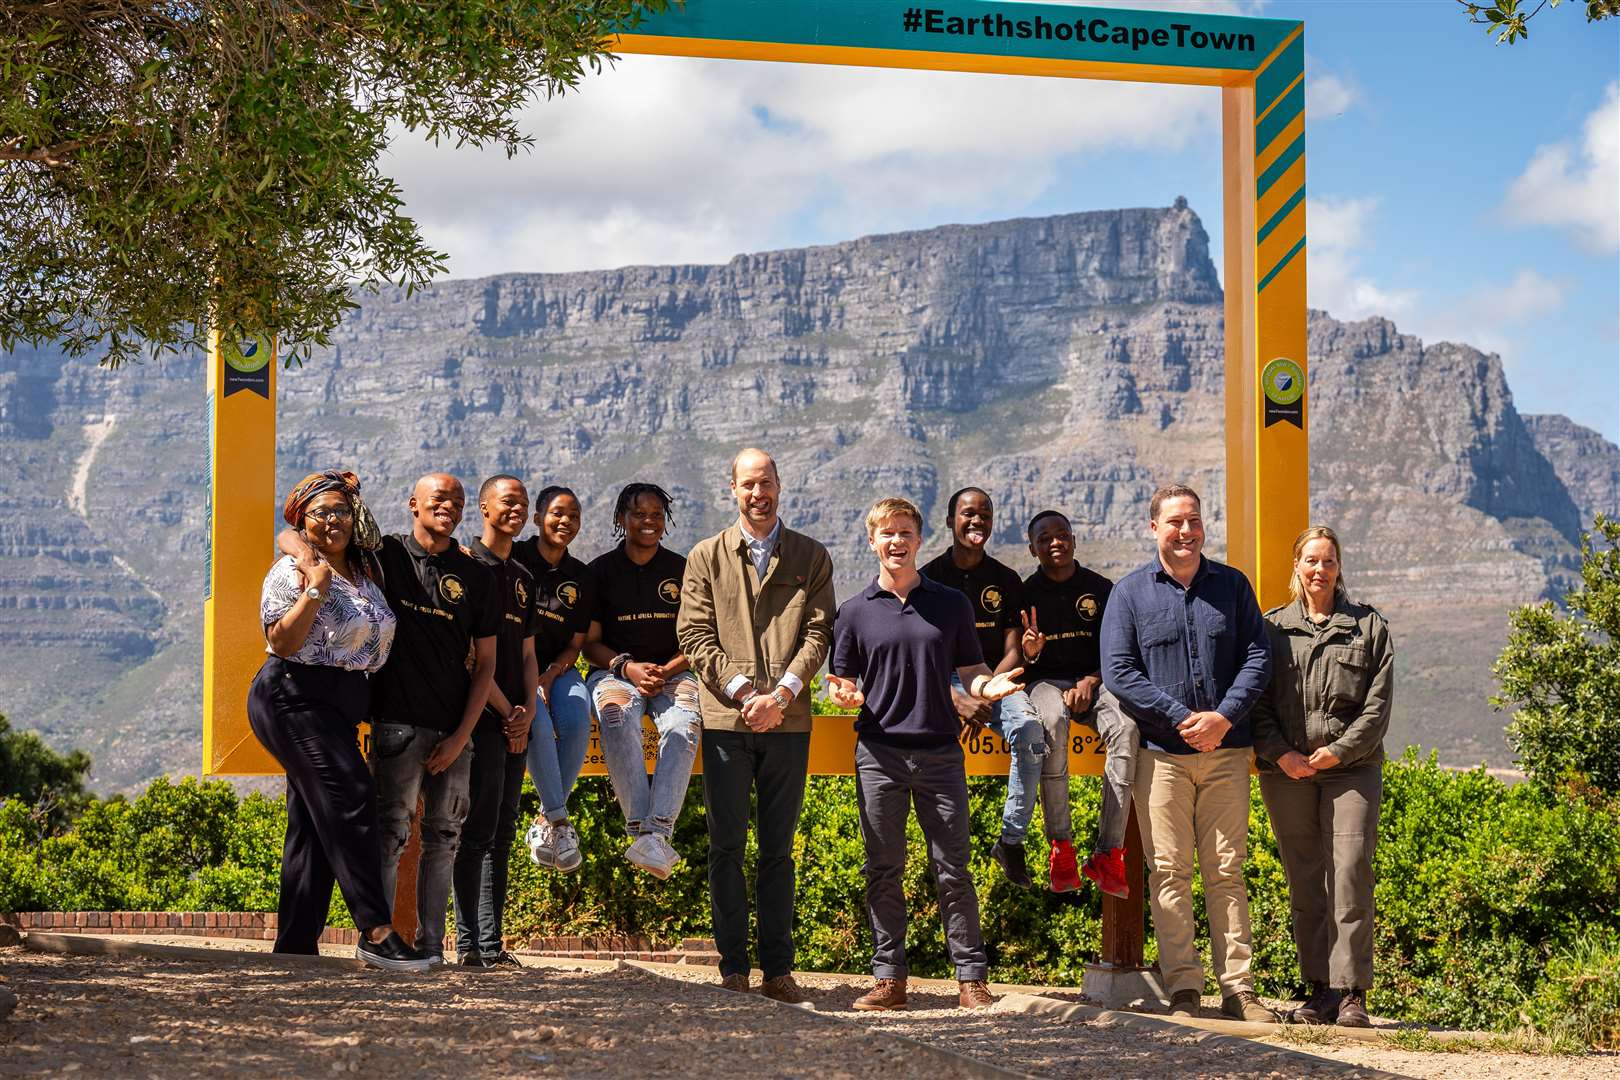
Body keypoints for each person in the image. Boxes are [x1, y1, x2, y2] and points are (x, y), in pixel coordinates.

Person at [281, 472, 499, 965]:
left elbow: (486, 664)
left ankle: (431, 948)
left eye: (458, 501)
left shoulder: (478, 577)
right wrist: (305, 557)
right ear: (413, 504)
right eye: (438, 498)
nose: (449, 506)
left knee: (445, 839)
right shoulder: (385, 556)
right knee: (389, 834)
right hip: (395, 725)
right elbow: (295, 529)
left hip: (455, 731)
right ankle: (373, 942)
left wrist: (462, 735)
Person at [826, 496, 1024, 1012]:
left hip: (940, 752)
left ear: (919, 540)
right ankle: (889, 978)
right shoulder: (852, 612)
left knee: (953, 868)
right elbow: (839, 682)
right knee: (883, 868)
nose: (897, 541)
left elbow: (970, 672)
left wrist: (988, 686)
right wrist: (841, 694)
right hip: (879, 753)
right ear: (872, 541)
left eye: (906, 533)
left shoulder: (950, 604)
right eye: (887, 533)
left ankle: (971, 980)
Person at [1099, 483, 1278, 1023]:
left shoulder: (1233, 586)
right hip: (1161, 755)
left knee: (1227, 871)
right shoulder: (1129, 593)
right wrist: (1181, 718)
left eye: (1194, 521)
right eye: (1175, 522)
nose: (1186, 531)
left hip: (1226, 752)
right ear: (1154, 527)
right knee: (1169, 872)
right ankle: (1183, 989)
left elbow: (1257, 657)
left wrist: (1222, 717)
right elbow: (1119, 672)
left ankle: (1239, 991)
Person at [250, 470, 433, 971]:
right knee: (351, 794)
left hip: (340, 705)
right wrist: (314, 584)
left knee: (312, 820)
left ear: (356, 516)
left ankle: (294, 948)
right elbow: (282, 643)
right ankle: (375, 931)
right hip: (292, 695)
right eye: (320, 513)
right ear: (304, 522)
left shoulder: (368, 569)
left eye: (340, 511)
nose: (332, 520)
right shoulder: (291, 571)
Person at [677, 449, 836, 1003]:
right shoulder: (704, 557)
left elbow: (818, 635)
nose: (758, 494)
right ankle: (733, 968)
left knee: (777, 849)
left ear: (779, 485)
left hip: (787, 724)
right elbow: (695, 638)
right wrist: (748, 695)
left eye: (765, 483)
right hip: (726, 720)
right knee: (725, 847)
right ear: (733, 490)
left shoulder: (811, 557)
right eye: (748, 485)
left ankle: (778, 970)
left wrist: (783, 694)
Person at [1251, 526, 1392, 1029]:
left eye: (1328, 561)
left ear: (1339, 567)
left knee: (1350, 873)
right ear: (1296, 566)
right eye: (1311, 560)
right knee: (1305, 880)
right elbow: (1258, 703)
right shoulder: (1271, 629)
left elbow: (1377, 708)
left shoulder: (1369, 627)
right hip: (1287, 772)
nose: (1319, 570)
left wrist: (1338, 750)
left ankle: (1352, 993)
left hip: (1351, 770)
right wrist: (1280, 754)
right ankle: (1320, 991)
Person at [919, 488, 1049, 891]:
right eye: (968, 513)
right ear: (949, 521)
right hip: (941, 686)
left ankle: (1011, 841)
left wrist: (986, 691)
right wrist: (957, 699)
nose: (977, 521)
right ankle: (936, 852)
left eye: (985, 514)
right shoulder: (928, 579)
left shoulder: (1006, 580)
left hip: (994, 680)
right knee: (925, 755)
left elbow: (1014, 650)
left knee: (1030, 732)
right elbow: (922, 651)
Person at [582, 482, 700, 879]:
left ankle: (655, 833)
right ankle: (643, 832)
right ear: (621, 519)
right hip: (617, 672)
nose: (648, 521)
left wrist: (666, 670)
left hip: (673, 674)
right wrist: (628, 668)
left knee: (685, 725)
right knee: (616, 715)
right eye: (638, 514)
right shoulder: (600, 571)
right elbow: (590, 644)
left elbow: (697, 639)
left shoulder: (682, 569)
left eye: (656, 515)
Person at [1019, 509, 1138, 898]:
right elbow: (1020, 662)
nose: (1055, 542)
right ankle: (1062, 846)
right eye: (1044, 538)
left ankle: (1108, 852)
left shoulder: (1103, 589)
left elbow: (1121, 651)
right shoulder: (1026, 594)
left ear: (1073, 539)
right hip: (1046, 685)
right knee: (1051, 721)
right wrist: (1031, 654)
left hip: (1097, 683)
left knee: (1127, 729)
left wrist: (1092, 680)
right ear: (1033, 548)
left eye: (1061, 534)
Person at [451, 475, 538, 968]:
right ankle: (469, 946)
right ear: (483, 507)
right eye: (508, 501)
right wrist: (508, 712)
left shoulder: (524, 578)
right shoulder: (466, 568)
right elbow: (470, 656)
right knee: (476, 830)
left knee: (503, 831)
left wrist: (526, 710)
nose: (517, 509)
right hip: (480, 719)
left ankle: (491, 944)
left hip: (516, 723)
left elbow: (528, 652)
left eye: (523, 503)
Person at [511, 485, 594, 874]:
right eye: (558, 513)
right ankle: (559, 822)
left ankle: (546, 819)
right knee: (538, 725)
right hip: (515, 666)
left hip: (559, 670)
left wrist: (551, 675)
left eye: (574, 516)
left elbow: (575, 644)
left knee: (578, 719)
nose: (566, 521)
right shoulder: (516, 558)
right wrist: (533, 682)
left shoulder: (580, 576)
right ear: (538, 517)